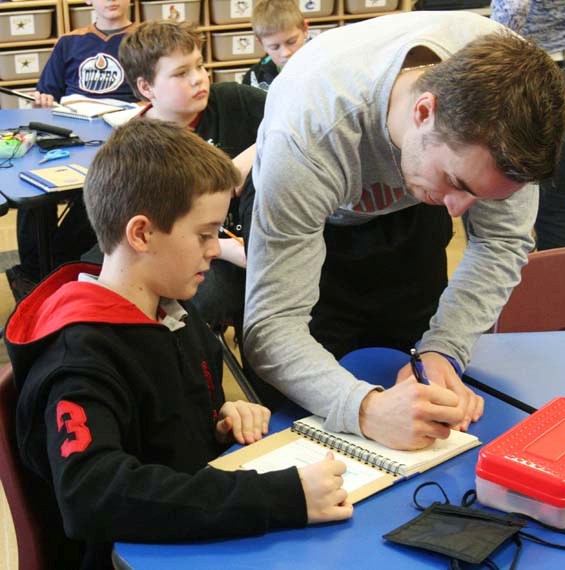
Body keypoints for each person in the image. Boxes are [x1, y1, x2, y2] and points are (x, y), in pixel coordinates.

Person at [4, 120, 352, 570]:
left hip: (199, 538)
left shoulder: (172, 314)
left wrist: (220, 419)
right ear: (142, 234)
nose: (215, 249)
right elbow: (91, 493)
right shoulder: (80, 358)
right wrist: (278, 498)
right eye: (205, 234)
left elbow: (161, 433)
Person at [244, 11, 565, 450]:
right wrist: (366, 409)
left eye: (483, 196)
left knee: (417, 372)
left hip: (410, 204)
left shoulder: (513, 101)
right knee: (306, 411)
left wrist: (443, 350)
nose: (458, 213)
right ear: (423, 111)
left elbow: (500, 240)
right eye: (458, 185)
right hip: (317, 223)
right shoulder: (310, 132)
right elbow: (272, 327)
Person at [118, 20, 265, 334]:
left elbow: (293, 117)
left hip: (261, 243)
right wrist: (230, 251)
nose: (199, 78)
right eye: (181, 73)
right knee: (208, 302)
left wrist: (250, 156)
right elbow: (155, 236)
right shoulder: (138, 147)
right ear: (146, 88)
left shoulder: (233, 100)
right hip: (200, 259)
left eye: (199, 65)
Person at [7, 0, 139, 301]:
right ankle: (34, 274)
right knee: (30, 186)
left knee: (97, 189)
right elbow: (47, 96)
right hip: (72, 139)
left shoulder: (143, 39)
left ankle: (55, 271)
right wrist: (42, 104)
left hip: (123, 143)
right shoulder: (69, 43)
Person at [491, 0, 565, 250]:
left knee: (546, 204)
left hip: (546, 71)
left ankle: (558, 288)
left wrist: (490, 50)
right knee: (558, 199)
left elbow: (514, 7)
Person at [242, 0, 308, 91]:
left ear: (305, 29)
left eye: (292, 42)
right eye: (274, 47)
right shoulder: (253, 78)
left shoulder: (324, 67)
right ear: (261, 43)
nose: (286, 53)